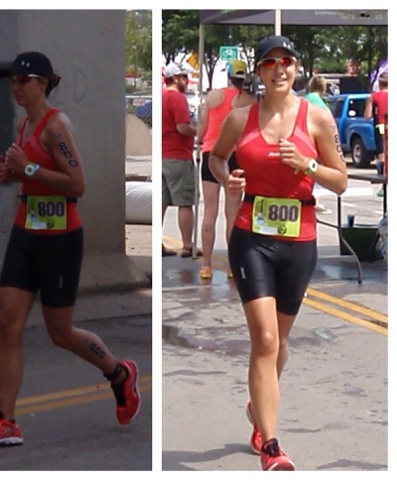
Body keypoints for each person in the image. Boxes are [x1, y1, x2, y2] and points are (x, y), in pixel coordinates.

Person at [0, 51, 140, 447]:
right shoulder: (23, 125)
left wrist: (27, 168)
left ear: (43, 83)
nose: (16, 86)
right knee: (8, 322)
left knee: (60, 332)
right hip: (26, 231)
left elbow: (77, 184)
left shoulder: (56, 125)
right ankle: (7, 421)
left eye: (23, 80)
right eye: (12, 80)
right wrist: (13, 173)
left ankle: (119, 373)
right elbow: (31, 174)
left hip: (60, 238)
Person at [209, 35, 347, 470]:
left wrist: (307, 165)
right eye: (270, 63)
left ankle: (259, 407)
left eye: (286, 61)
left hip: (299, 239)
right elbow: (215, 158)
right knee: (265, 339)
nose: (279, 69)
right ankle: (271, 446)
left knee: (280, 342)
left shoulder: (316, 117)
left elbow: (341, 180)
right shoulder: (239, 118)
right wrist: (228, 177)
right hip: (251, 236)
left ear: (296, 68)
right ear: (259, 72)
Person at [197, 59, 255, 279]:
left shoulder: (213, 97)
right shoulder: (249, 101)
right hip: (235, 156)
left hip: (211, 153)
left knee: (209, 211)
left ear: (228, 75)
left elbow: (202, 131)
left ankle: (206, 265)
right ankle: (233, 266)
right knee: (233, 214)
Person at [162, 62, 201, 258]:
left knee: (161, 203)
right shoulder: (177, 98)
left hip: (162, 155)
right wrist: (198, 132)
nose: (187, 81)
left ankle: (158, 243)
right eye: (184, 76)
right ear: (176, 78)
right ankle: (187, 245)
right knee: (185, 202)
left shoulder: (161, 96)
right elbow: (182, 127)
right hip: (178, 155)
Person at [304, 75, 332, 214]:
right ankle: (314, 199)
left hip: (301, 140)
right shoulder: (321, 105)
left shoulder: (303, 99)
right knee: (314, 171)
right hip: (315, 142)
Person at [364, 72, 388, 196]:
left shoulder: (373, 97)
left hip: (381, 127)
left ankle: (384, 186)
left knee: (383, 156)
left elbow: (367, 116)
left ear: (379, 84)